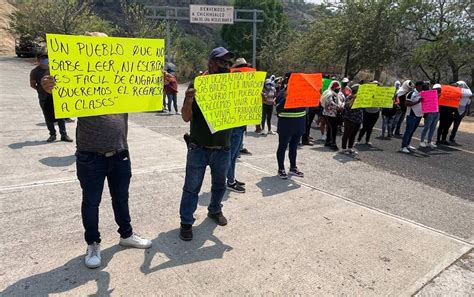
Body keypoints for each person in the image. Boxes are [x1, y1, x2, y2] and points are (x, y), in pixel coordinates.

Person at [40, 32, 152, 269]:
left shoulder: (121, 76)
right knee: (91, 202)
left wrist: (154, 81)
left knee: (121, 198)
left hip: (120, 152)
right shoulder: (76, 75)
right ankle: (93, 243)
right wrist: (49, 87)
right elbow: (58, 96)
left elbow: (144, 93)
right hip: (90, 155)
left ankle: (126, 234)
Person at [179, 47, 234, 241]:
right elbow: (186, 118)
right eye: (222, 62)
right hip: (199, 148)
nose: (226, 66)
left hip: (223, 148)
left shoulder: (233, 86)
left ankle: (215, 210)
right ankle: (186, 222)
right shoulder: (198, 84)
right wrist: (188, 99)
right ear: (211, 63)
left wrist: (255, 101)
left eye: (228, 63)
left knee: (220, 184)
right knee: (192, 187)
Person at [30, 51, 73, 143]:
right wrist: (42, 89)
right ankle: (52, 135)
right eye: (43, 58)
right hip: (44, 98)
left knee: (60, 116)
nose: (45, 60)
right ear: (38, 59)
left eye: (47, 58)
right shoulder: (35, 72)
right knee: (48, 117)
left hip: (56, 97)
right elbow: (33, 85)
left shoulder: (54, 69)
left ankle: (64, 135)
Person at [275, 72, 306, 179]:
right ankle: (281, 169)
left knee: (294, 148)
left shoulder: (302, 92)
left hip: (299, 125)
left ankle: (293, 168)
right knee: (283, 147)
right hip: (286, 126)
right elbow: (278, 109)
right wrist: (287, 97)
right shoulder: (282, 93)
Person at [401, 81, 424, 153]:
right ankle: (403, 147)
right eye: (421, 86)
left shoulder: (422, 93)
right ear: (418, 86)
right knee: (408, 131)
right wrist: (417, 101)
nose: (423, 87)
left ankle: (407, 144)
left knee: (412, 131)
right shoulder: (411, 94)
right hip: (411, 115)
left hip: (419, 115)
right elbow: (406, 104)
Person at [320, 80, 343, 150]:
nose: (338, 90)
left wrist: (341, 105)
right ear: (333, 88)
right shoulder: (329, 93)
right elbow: (330, 102)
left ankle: (328, 141)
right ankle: (333, 143)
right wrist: (338, 107)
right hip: (329, 114)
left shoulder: (336, 94)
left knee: (330, 128)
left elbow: (342, 99)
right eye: (337, 88)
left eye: (339, 88)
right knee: (333, 128)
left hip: (333, 114)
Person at [341, 84, 363, 155]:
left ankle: (350, 148)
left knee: (353, 135)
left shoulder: (361, 98)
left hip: (358, 119)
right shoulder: (349, 97)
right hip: (349, 119)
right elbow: (348, 107)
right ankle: (343, 149)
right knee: (346, 134)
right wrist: (354, 99)